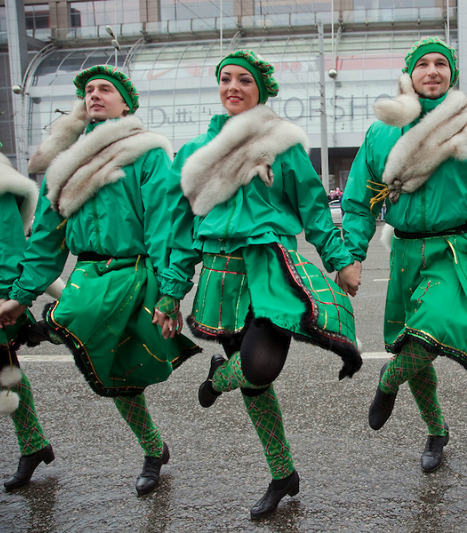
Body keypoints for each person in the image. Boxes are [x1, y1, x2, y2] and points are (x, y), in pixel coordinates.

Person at [156, 50, 362, 519]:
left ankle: (217, 378)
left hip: (270, 271)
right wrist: (170, 292)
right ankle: (281, 472)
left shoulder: (282, 146)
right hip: (218, 280)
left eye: (244, 80)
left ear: (260, 90)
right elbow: (181, 232)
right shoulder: (194, 153)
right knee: (254, 385)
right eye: (226, 79)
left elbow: (313, 210)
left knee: (259, 366)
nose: (233, 86)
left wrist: (341, 262)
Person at [0, 65, 199, 495]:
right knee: (116, 375)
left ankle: (40, 328)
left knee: (75, 320)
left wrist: (169, 291)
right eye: (88, 91)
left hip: (133, 270)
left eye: (106, 89)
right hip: (87, 271)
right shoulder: (64, 166)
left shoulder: (147, 153)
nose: (94, 95)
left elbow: (163, 224)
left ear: (127, 102)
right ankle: (153, 447)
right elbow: (46, 240)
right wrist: (18, 295)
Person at [341, 37, 467, 473]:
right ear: (410, 74)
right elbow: (361, 202)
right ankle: (436, 430)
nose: (432, 71)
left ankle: (388, 379)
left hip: (455, 249)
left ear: (452, 74)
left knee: (437, 324)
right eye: (423, 65)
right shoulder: (381, 131)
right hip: (403, 251)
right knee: (414, 341)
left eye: (441, 64)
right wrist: (352, 255)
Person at [0, 116, 55, 491]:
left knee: (0, 363)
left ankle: (31, 444)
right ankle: (33, 444)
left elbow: (4, 241)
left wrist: (3, 294)